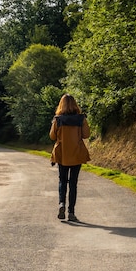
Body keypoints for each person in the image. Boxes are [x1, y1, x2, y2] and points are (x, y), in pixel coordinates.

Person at [49, 94, 90, 222]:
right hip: (76, 153)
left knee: (62, 180)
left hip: (62, 153)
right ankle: (71, 212)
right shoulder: (81, 119)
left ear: (61, 104)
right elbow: (86, 135)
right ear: (75, 104)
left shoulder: (58, 119)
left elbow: (52, 136)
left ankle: (61, 203)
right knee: (73, 183)